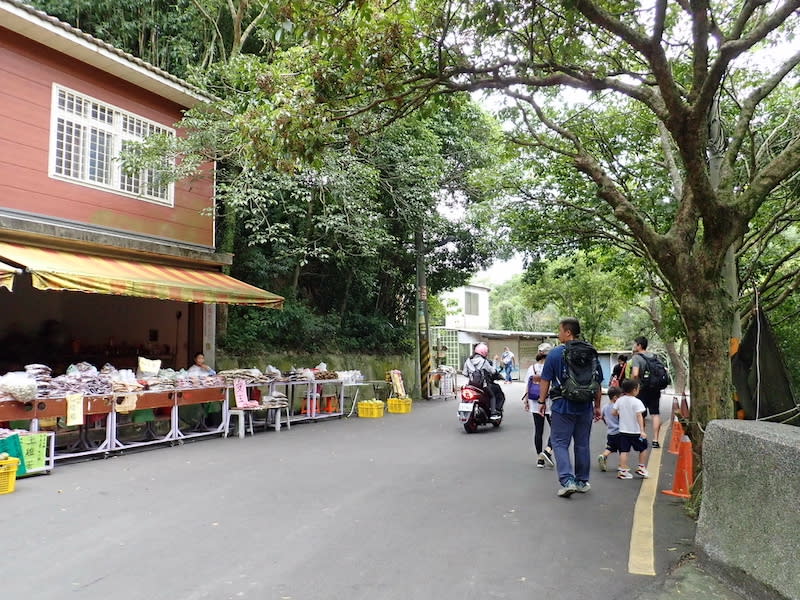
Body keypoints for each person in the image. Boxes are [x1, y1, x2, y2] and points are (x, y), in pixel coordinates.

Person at [538, 317, 603, 497]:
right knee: (582, 444)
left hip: (562, 404)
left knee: (559, 442)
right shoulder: (590, 351)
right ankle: (582, 481)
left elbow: (545, 380)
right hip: (585, 406)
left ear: (568, 332)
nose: (558, 334)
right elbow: (597, 382)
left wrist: (542, 402)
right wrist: (597, 406)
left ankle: (567, 480)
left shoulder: (556, 353)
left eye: (560, 330)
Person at [522, 343, 554, 467]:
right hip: (549, 401)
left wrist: (526, 401)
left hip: (535, 402)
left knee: (538, 430)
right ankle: (547, 450)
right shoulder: (551, 366)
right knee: (556, 429)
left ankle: (539, 459)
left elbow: (527, 385)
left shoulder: (532, 368)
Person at [613, 378, 650, 479]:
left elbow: (614, 412)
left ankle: (623, 471)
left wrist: (621, 413)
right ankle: (641, 467)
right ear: (634, 390)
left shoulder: (620, 400)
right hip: (635, 432)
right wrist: (642, 430)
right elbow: (639, 416)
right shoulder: (637, 402)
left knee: (624, 451)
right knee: (643, 448)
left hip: (623, 431)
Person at [629, 337, 662, 448]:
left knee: (640, 413)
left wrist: (633, 387)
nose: (634, 346)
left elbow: (635, 374)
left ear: (639, 345)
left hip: (642, 389)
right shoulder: (654, 357)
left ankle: (643, 437)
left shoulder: (637, 358)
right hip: (655, 388)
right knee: (655, 413)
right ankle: (656, 440)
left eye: (635, 344)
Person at [463, 342, 504, 419]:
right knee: (492, 396)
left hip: (471, 385)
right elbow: (493, 371)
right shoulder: (484, 361)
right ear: (484, 352)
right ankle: (493, 413)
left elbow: (465, 373)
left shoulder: (468, 361)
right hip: (482, 385)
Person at [597, 385, 623, 472]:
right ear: (615, 398)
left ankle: (603, 456)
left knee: (610, 448)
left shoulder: (604, 407)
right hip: (620, 432)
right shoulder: (617, 407)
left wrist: (607, 423)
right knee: (622, 450)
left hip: (610, 432)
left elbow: (602, 417)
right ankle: (621, 465)